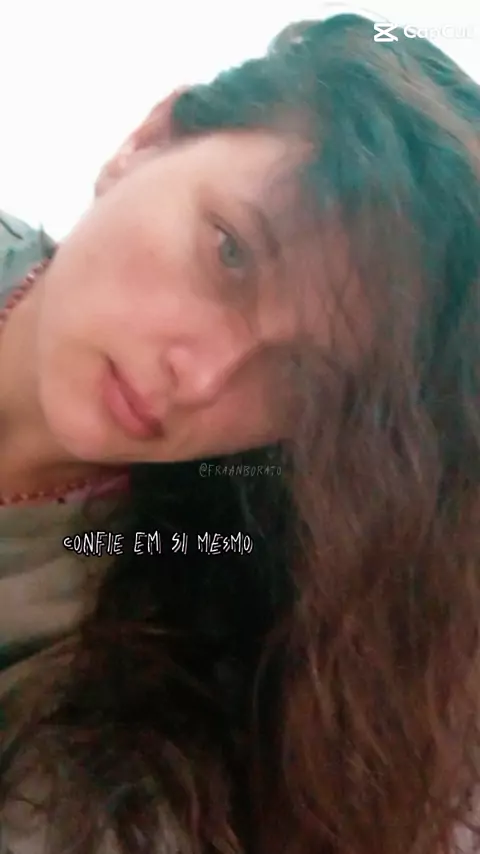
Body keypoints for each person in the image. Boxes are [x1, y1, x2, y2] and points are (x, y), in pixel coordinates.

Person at [1, 11, 480, 854]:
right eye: (231, 254)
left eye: (301, 374)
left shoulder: (152, 646)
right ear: (148, 142)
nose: (205, 376)